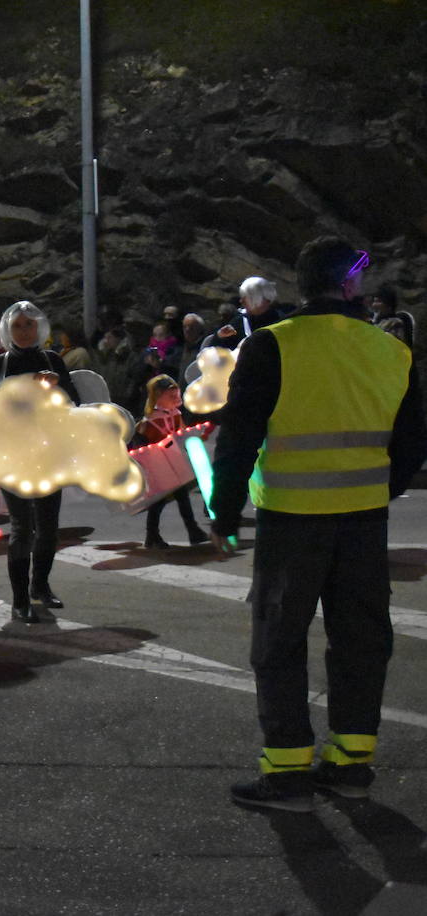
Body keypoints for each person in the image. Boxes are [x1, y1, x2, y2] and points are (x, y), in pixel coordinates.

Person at [211, 238, 427, 812]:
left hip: (289, 520)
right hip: (362, 521)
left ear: (300, 286)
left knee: (279, 641)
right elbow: (411, 445)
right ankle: (351, 765)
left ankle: (286, 773)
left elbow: (237, 439)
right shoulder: (391, 351)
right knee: (360, 641)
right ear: (351, 285)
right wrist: (378, 487)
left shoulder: (271, 346)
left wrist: (225, 513)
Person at [0, 301, 82, 623]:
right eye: (18, 326)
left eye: (29, 325)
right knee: (23, 528)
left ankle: (41, 586)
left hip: (48, 454)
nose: (24, 331)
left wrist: (56, 389)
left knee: (49, 527)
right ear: (8, 330)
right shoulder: (0, 364)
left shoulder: (52, 360)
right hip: (12, 457)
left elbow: (75, 403)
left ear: (40, 327)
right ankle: (19, 599)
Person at [136, 375, 208, 549]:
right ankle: (155, 535)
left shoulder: (175, 414)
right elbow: (142, 446)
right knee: (159, 502)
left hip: (174, 463)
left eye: (176, 394)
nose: (176, 398)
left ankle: (191, 531)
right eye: (171, 395)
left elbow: (181, 434)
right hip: (160, 466)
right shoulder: (150, 420)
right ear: (158, 396)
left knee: (179, 498)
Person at [202, 277, 291, 350]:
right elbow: (215, 351)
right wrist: (219, 336)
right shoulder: (239, 321)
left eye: (245, 297)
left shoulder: (281, 322)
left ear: (258, 299)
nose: (241, 301)